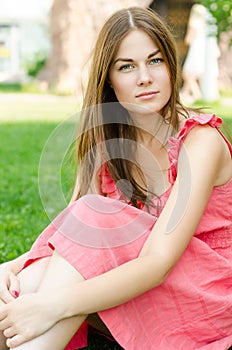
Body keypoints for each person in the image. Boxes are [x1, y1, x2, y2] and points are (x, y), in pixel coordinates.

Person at [0, 6, 231, 350]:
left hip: (209, 296)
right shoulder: (107, 145)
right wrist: (12, 266)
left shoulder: (201, 142)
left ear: (172, 66)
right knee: (24, 285)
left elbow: (157, 263)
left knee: (87, 225)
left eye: (155, 61)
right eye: (127, 66)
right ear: (108, 78)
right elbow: (73, 240)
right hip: (135, 287)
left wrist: (52, 305)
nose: (144, 77)